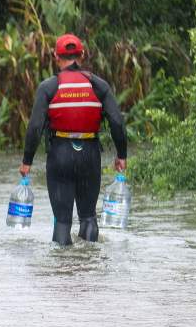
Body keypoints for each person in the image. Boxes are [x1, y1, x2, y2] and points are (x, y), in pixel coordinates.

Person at [19, 34, 128, 245]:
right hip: (89, 154)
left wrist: (27, 160)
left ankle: (63, 271)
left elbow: (34, 127)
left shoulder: (49, 87)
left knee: (62, 221)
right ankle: (88, 267)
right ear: (83, 55)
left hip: (59, 154)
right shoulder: (99, 86)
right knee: (88, 216)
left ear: (56, 57)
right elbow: (116, 122)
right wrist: (121, 155)